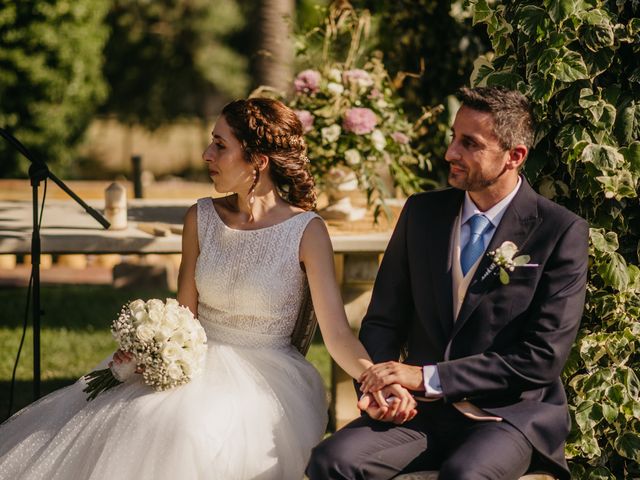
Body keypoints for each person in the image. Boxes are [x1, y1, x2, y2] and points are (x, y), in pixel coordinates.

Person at [0, 97, 413, 480]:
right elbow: (185, 315)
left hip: (265, 376)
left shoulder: (307, 231)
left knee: (187, 429)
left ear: (258, 161)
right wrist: (151, 348)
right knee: (125, 418)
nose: (206, 156)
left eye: (220, 145)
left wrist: (376, 377)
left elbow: (337, 335)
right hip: (192, 357)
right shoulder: (200, 217)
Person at [307, 86, 589, 480]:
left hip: (507, 417)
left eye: (469, 144)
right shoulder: (422, 214)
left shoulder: (559, 232)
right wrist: (381, 389)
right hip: (418, 414)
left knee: (463, 476)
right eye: (454, 138)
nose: (450, 153)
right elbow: (384, 321)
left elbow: (541, 357)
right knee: (331, 460)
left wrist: (425, 376)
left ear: (515, 156)